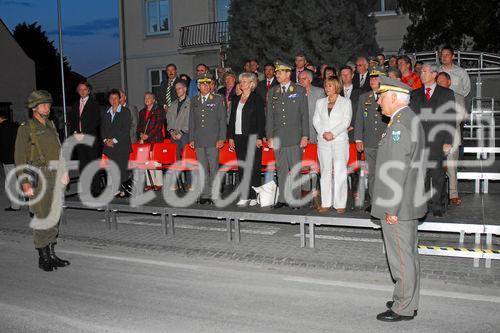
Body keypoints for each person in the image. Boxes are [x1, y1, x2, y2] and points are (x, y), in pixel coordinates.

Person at [372, 76, 426, 322]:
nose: (378, 101)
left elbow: (395, 170)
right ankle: (407, 299)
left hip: (398, 204)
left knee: (401, 257)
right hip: (409, 199)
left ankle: (403, 307)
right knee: (408, 254)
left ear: (394, 97)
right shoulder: (409, 119)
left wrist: (390, 208)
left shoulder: (398, 126)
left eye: (382, 96)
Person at [15, 90, 70, 271]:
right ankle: (43, 256)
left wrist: (64, 171)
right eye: (44, 104)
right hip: (38, 177)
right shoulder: (26, 127)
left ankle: (52, 253)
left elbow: (59, 151)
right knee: (41, 215)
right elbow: (20, 157)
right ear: (35, 108)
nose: (48, 107)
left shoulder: (51, 125)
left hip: (55, 174)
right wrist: (24, 182)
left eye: (48, 104)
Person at [410, 63, 455, 217]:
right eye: (421, 71)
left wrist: (448, 140)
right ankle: (422, 206)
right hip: (419, 141)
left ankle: (437, 205)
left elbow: (451, 118)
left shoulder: (446, 94)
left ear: (434, 74)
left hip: (439, 140)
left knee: (437, 175)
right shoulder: (414, 94)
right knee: (420, 175)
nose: (421, 74)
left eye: (424, 71)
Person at [266, 60, 309, 209]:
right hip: (278, 137)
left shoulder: (299, 90)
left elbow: (304, 114)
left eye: (279, 72)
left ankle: (295, 198)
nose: (277, 74)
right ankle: (283, 198)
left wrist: (305, 135)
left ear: (288, 73)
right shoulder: (273, 92)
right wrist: (269, 137)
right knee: (281, 169)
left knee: (295, 169)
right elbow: (270, 117)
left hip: (294, 136)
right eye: (276, 72)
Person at [313, 77, 352, 214]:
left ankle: (340, 203)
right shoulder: (320, 102)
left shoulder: (346, 102)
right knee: (325, 172)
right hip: (323, 141)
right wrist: (324, 133)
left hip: (339, 140)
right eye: (325, 85)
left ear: (336, 86)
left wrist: (333, 133)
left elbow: (346, 121)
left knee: (340, 171)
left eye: (330, 85)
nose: (326, 88)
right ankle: (325, 202)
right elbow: (316, 120)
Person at [228, 73, 266, 207]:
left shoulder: (257, 99)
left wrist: (260, 137)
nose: (242, 83)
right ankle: (245, 195)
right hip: (239, 138)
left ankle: (254, 195)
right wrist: (231, 137)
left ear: (252, 83)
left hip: (253, 138)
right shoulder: (235, 99)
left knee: (254, 167)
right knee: (242, 167)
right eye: (241, 81)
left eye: (245, 81)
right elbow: (232, 120)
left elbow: (262, 120)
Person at [354, 68, 389, 211]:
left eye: (376, 78)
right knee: (372, 174)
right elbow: (359, 119)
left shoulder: (388, 95)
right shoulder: (364, 97)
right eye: (371, 78)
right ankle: (374, 202)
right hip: (369, 141)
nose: (373, 81)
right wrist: (358, 139)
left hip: (384, 141)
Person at [188, 73, 226, 204]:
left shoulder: (217, 99)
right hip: (199, 139)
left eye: (207, 84)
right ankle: (205, 194)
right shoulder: (194, 100)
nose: (204, 86)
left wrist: (222, 138)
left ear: (211, 86)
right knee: (202, 168)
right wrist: (191, 138)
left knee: (213, 167)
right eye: (202, 84)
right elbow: (191, 121)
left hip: (213, 139)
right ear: (198, 87)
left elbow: (222, 120)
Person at [437, 71, 467, 206]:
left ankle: (453, 194)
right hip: (435, 137)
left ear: (449, 82)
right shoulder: (433, 97)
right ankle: (436, 194)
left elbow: (460, 117)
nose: (440, 83)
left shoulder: (458, 97)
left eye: (443, 81)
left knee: (451, 167)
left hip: (452, 137)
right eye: (438, 81)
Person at [69, 81, 102, 196]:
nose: (82, 91)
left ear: (88, 91)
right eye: (80, 89)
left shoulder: (94, 104)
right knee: (83, 164)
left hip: (90, 138)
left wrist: (84, 133)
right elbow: (72, 121)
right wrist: (74, 132)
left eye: (84, 89)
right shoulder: (74, 105)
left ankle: (97, 189)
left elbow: (96, 121)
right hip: (78, 138)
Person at [298, 69, 325, 206]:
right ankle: (304, 190)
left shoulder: (319, 92)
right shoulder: (295, 92)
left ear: (309, 79)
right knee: (303, 162)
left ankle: (314, 190)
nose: (300, 81)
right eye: (299, 79)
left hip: (314, 132)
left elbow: (322, 114)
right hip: (299, 132)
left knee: (314, 162)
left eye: (303, 79)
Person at [101, 89, 132, 198]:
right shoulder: (106, 112)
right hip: (109, 147)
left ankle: (122, 188)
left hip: (121, 146)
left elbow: (125, 129)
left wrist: (113, 140)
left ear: (120, 99)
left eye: (115, 98)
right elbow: (103, 128)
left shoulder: (125, 111)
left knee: (121, 169)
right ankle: (117, 189)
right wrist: (105, 140)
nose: (113, 100)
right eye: (111, 98)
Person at [137, 92, 164, 190]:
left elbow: (158, 126)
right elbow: (139, 126)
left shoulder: (158, 110)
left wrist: (148, 135)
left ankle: (159, 183)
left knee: (156, 161)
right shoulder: (142, 112)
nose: (146, 99)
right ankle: (150, 183)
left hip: (155, 139)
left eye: (149, 98)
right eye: (145, 98)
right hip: (144, 140)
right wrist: (140, 135)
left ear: (153, 100)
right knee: (147, 162)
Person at [167, 80, 192, 189]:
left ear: (185, 89)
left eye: (180, 88)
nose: (177, 91)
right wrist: (171, 131)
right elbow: (169, 119)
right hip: (174, 134)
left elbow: (191, 119)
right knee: (174, 159)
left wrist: (182, 132)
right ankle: (176, 182)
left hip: (186, 134)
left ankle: (190, 182)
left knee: (188, 158)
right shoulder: (173, 104)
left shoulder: (191, 103)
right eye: (176, 89)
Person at [0, 112, 21, 211]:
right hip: (19, 156)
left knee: (11, 181)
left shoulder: (2, 128)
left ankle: (15, 205)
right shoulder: (15, 126)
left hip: (8, 158)